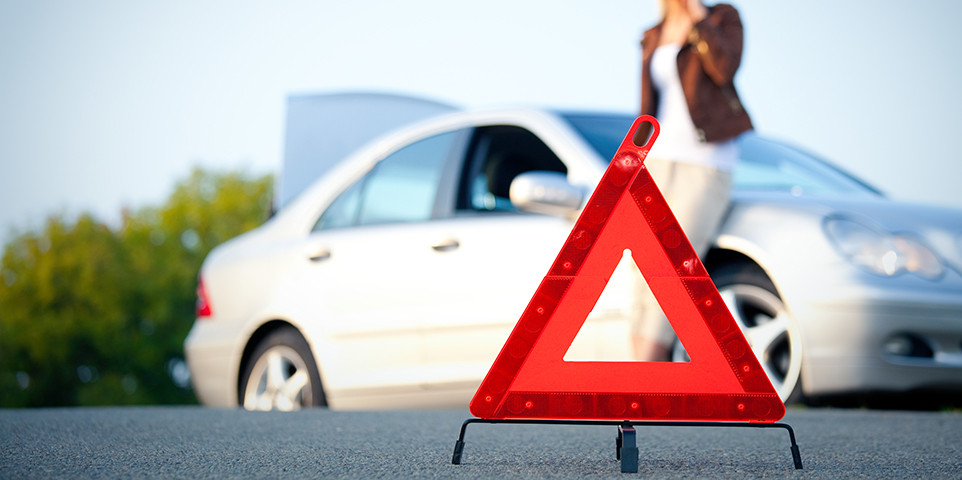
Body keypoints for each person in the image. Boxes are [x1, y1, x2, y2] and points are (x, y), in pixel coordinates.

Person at [632, 0, 753, 361]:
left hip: (705, 162)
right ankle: (636, 386)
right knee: (644, 272)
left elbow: (724, 69)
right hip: (656, 160)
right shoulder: (653, 33)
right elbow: (649, 104)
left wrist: (699, 18)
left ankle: (644, 374)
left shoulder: (721, 17)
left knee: (674, 270)